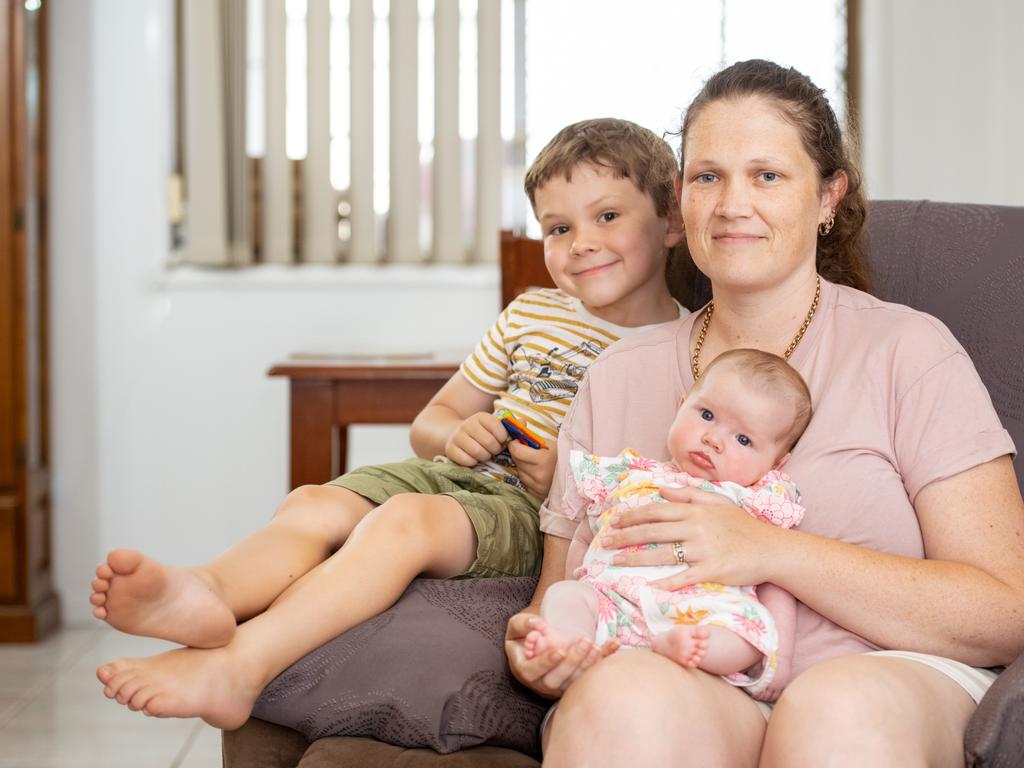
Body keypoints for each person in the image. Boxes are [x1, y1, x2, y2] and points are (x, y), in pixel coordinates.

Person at [89, 117, 693, 729]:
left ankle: (241, 667)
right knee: (313, 502)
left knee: (402, 521)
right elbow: (434, 419)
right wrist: (456, 434)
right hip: (455, 475)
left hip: (528, 513)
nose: (581, 243)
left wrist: (558, 479)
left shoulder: (684, 351)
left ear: (671, 219)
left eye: (608, 217)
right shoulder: (531, 312)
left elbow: (660, 484)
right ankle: (207, 589)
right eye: (559, 228)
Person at [505, 59, 1024, 766]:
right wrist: (545, 650)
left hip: (890, 674)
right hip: (692, 670)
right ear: (679, 199)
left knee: (834, 713)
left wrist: (769, 549)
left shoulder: (908, 350)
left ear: (827, 196)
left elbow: (1005, 609)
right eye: (707, 177)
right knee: (619, 698)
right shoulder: (616, 377)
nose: (731, 204)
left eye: (768, 175)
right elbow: (558, 597)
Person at [525, 349, 810, 702]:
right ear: (681, 406)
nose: (713, 439)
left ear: (775, 463)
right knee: (565, 595)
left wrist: (781, 658)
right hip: (615, 601)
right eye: (706, 415)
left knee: (747, 635)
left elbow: (778, 582)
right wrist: (585, 584)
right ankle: (570, 647)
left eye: (743, 439)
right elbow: (587, 532)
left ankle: (686, 650)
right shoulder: (628, 475)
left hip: (704, 610)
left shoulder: (754, 502)